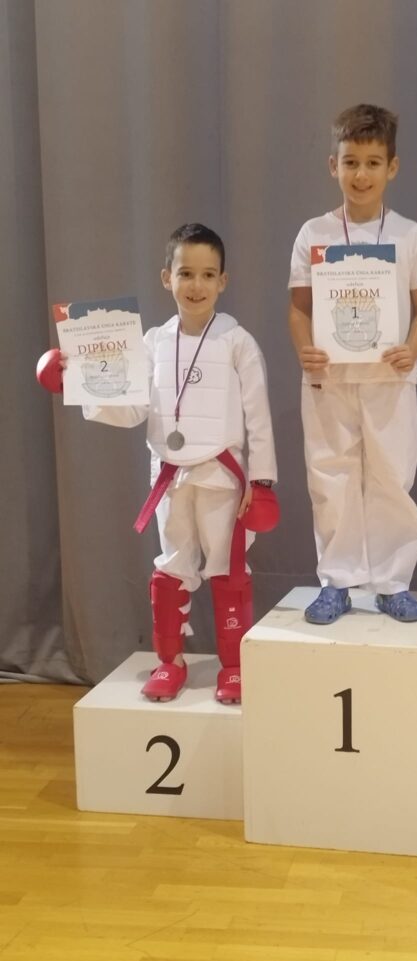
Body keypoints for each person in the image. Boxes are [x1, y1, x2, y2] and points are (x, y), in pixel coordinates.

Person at [38, 223, 278, 704]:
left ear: (223, 281)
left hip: (223, 478)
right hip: (170, 478)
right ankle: (170, 662)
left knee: (229, 570)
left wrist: (263, 480)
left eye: (207, 274)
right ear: (167, 277)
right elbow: (131, 410)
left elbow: (258, 415)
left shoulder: (238, 342)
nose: (196, 285)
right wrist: (78, 383)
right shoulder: (150, 344)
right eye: (186, 273)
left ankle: (234, 667)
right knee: (171, 568)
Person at [287, 103, 417, 624]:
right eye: (351, 162)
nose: (361, 174)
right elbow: (299, 308)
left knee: (392, 478)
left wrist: (412, 348)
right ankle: (337, 580)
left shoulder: (408, 235)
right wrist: (305, 350)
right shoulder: (313, 233)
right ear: (333, 165)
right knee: (329, 478)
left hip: (389, 378)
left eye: (373, 163)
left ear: (391, 168)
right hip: (328, 379)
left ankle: (393, 582)